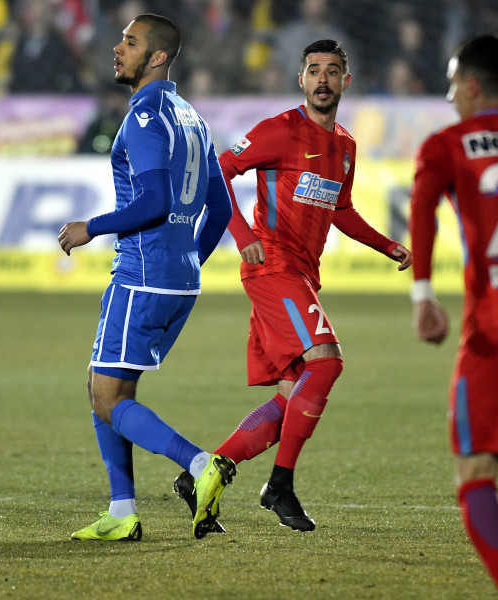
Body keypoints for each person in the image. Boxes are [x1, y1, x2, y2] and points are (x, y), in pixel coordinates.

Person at [174, 39, 412, 532]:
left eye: (332, 71)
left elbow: (340, 209)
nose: (322, 79)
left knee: (289, 399)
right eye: (313, 71)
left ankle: (200, 473)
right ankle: (279, 485)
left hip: (300, 274)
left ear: (346, 82)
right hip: (271, 268)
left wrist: (386, 245)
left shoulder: (344, 146)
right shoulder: (279, 130)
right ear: (300, 80)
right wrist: (242, 238)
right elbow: (217, 173)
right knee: (327, 362)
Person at [58, 13, 238, 541]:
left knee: (107, 398)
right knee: (103, 383)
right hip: (177, 278)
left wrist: (91, 227)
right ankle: (121, 511)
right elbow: (221, 211)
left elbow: (155, 201)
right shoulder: (192, 118)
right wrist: (185, 264)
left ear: (157, 57)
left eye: (130, 42)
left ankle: (201, 462)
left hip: (141, 276)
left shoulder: (143, 116)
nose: (117, 48)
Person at [409, 34, 498, 589]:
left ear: (470, 86)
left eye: (450, 85)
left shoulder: (447, 143)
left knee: (476, 470)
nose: (448, 98)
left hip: (490, 331)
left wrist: (423, 295)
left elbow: (422, 212)